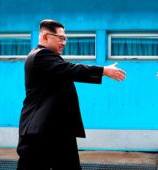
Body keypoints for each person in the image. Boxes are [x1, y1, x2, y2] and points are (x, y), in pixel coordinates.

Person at [17, 19, 126, 170]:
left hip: (55, 129)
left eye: (65, 38)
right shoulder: (41, 55)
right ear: (45, 37)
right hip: (41, 131)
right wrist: (103, 71)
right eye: (60, 38)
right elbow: (71, 69)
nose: (64, 42)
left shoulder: (47, 57)